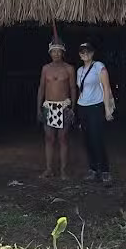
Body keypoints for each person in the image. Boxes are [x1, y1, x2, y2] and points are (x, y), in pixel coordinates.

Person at [37, 36, 76, 179]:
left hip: (64, 106)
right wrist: (38, 108)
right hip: (49, 106)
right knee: (49, 138)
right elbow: (41, 88)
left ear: (63, 52)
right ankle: (49, 169)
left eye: (59, 51)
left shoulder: (69, 69)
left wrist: (72, 108)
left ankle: (63, 170)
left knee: (63, 138)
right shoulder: (45, 69)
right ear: (50, 53)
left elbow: (73, 88)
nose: (56, 54)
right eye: (54, 51)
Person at [76, 42, 115, 184]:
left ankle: (105, 171)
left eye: (88, 51)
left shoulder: (99, 66)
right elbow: (81, 90)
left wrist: (107, 109)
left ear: (92, 53)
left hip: (96, 106)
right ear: (79, 55)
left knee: (97, 138)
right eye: (82, 52)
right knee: (86, 139)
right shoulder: (79, 71)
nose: (85, 54)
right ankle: (93, 169)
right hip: (82, 107)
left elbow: (106, 87)